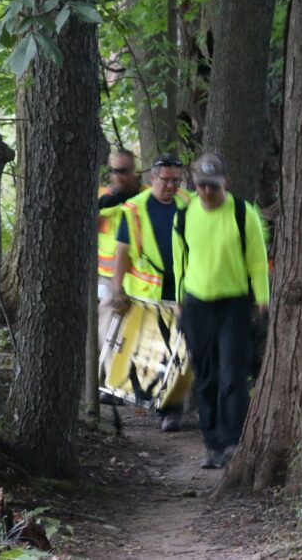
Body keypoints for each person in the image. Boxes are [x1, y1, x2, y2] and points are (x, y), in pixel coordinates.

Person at [173, 153, 269, 468]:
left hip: (234, 304)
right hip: (197, 303)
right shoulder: (184, 217)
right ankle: (211, 443)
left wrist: (263, 299)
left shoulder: (244, 213)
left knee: (233, 375)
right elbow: (180, 264)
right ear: (194, 185)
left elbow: (257, 261)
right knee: (206, 376)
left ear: (224, 182)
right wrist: (179, 301)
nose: (207, 192)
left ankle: (231, 442)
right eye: (201, 186)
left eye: (213, 186)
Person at [109, 153, 190, 431]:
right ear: (152, 178)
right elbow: (122, 251)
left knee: (178, 352)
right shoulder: (134, 208)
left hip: (182, 291)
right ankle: (157, 404)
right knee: (152, 352)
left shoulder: (188, 203)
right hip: (147, 295)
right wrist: (117, 290)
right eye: (165, 180)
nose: (171, 186)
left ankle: (172, 410)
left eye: (176, 181)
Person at [97, 149, 141, 389]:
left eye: (124, 171)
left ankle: (123, 383)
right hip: (106, 278)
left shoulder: (145, 197)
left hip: (140, 278)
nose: (120, 176)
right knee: (106, 330)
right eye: (115, 171)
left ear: (133, 170)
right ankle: (112, 382)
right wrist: (100, 205)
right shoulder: (102, 198)